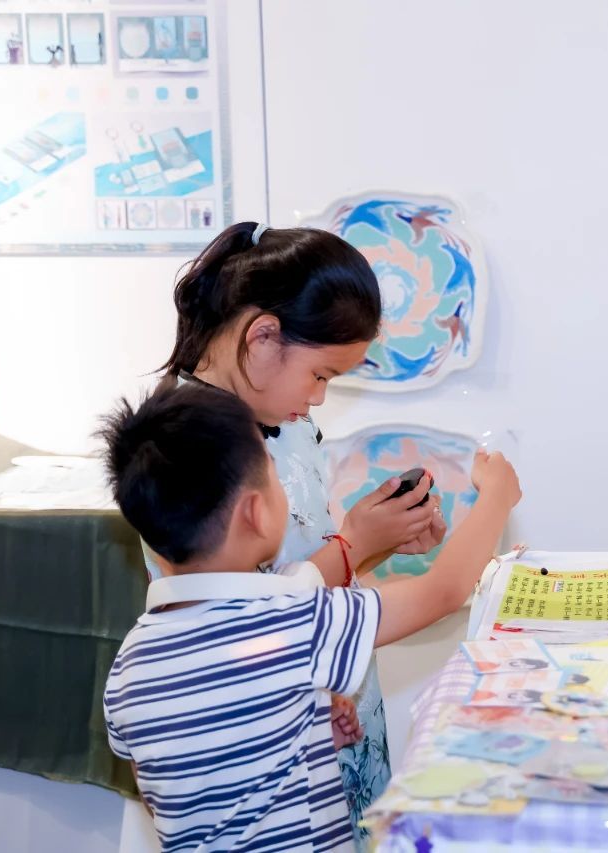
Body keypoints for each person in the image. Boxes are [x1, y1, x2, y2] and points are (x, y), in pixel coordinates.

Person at [99, 383, 521, 852]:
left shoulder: (129, 662)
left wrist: (296, 738)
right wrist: (496, 497)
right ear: (255, 512)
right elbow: (443, 591)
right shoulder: (295, 623)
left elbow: (166, 792)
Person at [147, 222, 448, 841]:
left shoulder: (282, 421)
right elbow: (252, 608)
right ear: (262, 337)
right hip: (267, 747)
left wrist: (380, 540)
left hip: (334, 708)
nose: (318, 399)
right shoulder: (186, 446)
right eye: (321, 375)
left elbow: (309, 557)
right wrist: (357, 543)